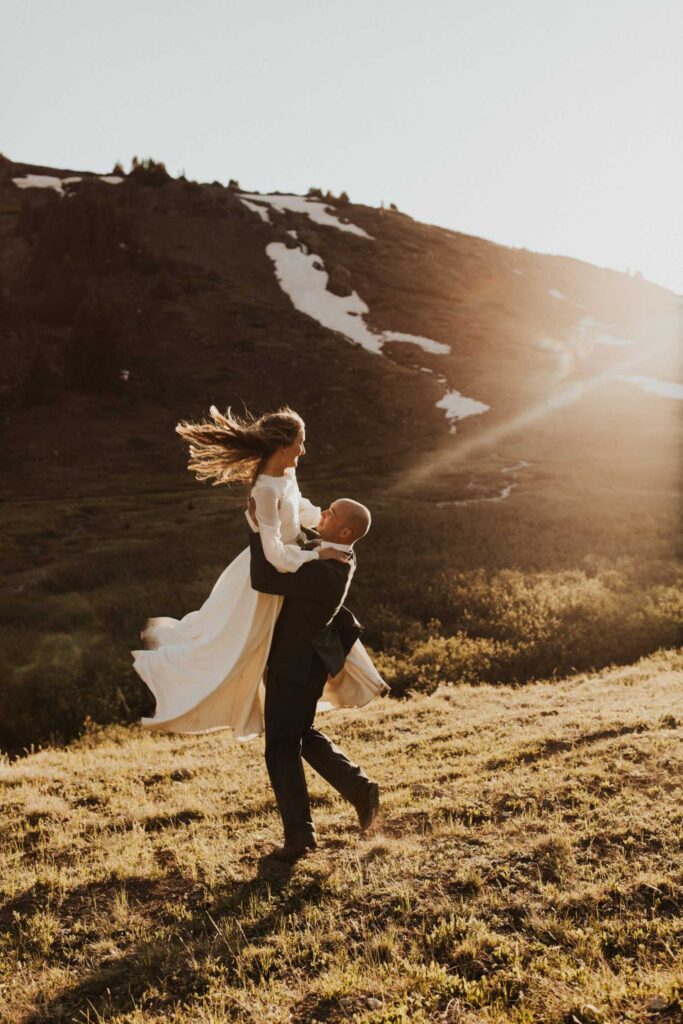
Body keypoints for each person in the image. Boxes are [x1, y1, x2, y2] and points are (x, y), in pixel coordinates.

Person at [131, 404, 387, 739]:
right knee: (234, 653)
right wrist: (317, 553)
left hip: (293, 564)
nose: (304, 449)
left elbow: (300, 510)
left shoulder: (286, 475)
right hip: (267, 579)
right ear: (283, 446)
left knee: (274, 650)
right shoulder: (264, 490)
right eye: (301, 442)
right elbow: (275, 557)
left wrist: (328, 526)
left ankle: (293, 724)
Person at [248, 496, 382, 862]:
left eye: (330, 514)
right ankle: (360, 789)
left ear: (344, 531)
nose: (322, 514)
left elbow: (262, 578)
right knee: (299, 735)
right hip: (303, 663)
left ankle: (300, 837)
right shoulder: (333, 554)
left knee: (280, 747)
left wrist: (259, 525)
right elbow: (305, 542)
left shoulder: (326, 570)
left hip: (296, 666)